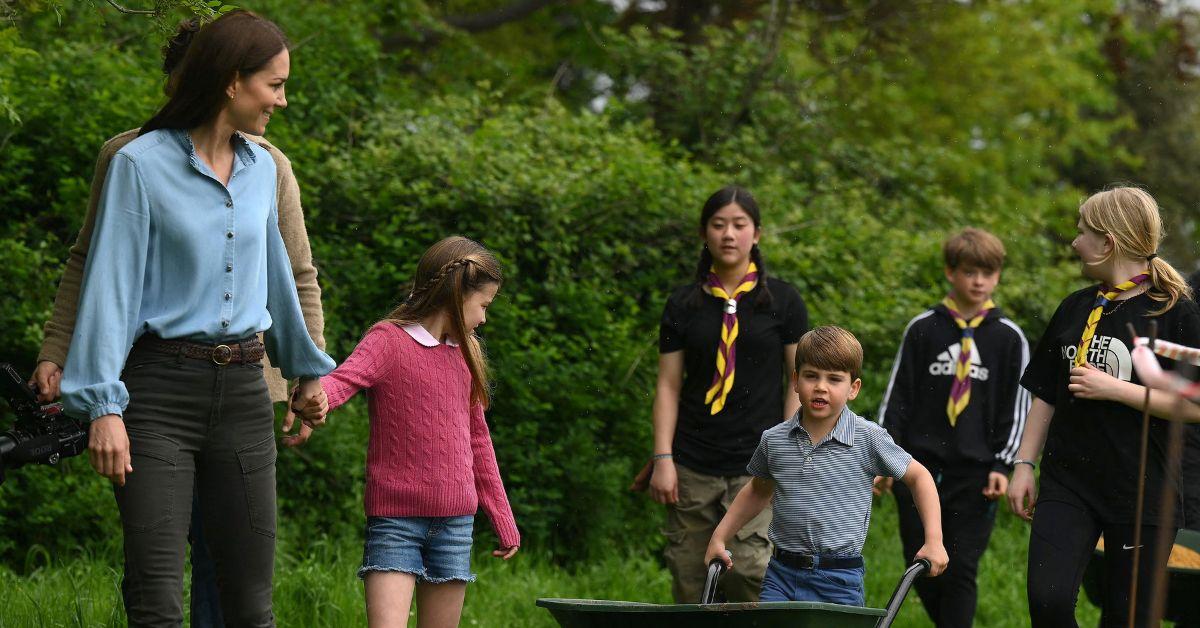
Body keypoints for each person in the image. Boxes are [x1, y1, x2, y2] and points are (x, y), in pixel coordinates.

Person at [29, 16, 326, 626]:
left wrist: (305, 370)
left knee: (251, 604)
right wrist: (104, 406)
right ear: (230, 82)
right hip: (159, 392)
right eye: (274, 84)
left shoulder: (265, 169)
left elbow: (284, 275)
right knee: (157, 598)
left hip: (245, 393)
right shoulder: (137, 164)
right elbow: (107, 285)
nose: (282, 99)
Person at [297, 236, 519, 628]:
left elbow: (478, 441)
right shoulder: (388, 340)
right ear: (455, 293)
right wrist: (317, 401)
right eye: (483, 305)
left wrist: (501, 515)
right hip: (395, 523)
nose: (484, 318)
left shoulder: (466, 353)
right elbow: (343, 380)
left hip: (455, 525)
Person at [1008, 187, 1200, 627]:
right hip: (1067, 484)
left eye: (1082, 233)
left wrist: (1117, 389)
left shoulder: (1175, 315)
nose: (1075, 242)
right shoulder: (1074, 309)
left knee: (1128, 617)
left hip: (1143, 492)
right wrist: (1023, 464)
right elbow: (1046, 394)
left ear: (1108, 242)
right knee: (1048, 601)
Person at [704, 326, 948, 604]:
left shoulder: (868, 438)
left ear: (853, 388)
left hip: (839, 579)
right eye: (811, 376)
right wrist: (719, 538)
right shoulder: (775, 440)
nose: (821, 386)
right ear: (795, 381)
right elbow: (758, 491)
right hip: (781, 574)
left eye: (834, 379)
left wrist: (934, 540)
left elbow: (920, 477)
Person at [647, 186, 808, 603]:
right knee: (690, 576)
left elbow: (799, 379)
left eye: (739, 225)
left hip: (757, 461)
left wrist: (789, 447)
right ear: (705, 233)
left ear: (757, 234)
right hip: (692, 460)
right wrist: (663, 457)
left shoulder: (784, 301)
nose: (729, 235)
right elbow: (667, 384)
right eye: (719, 225)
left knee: (750, 571)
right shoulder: (683, 303)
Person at [875, 227, 1030, 627]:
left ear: (997, 276)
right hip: (916, 469)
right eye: (969, 272)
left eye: (988, 273)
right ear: (950, 272)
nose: (978, 281)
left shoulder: (1009, 338)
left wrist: (1003, 464)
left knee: (961, 568)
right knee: (922, 563)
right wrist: (882, 457)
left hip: (976, 475)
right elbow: (897, 397)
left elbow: (1019, 407)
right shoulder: (923, 328)